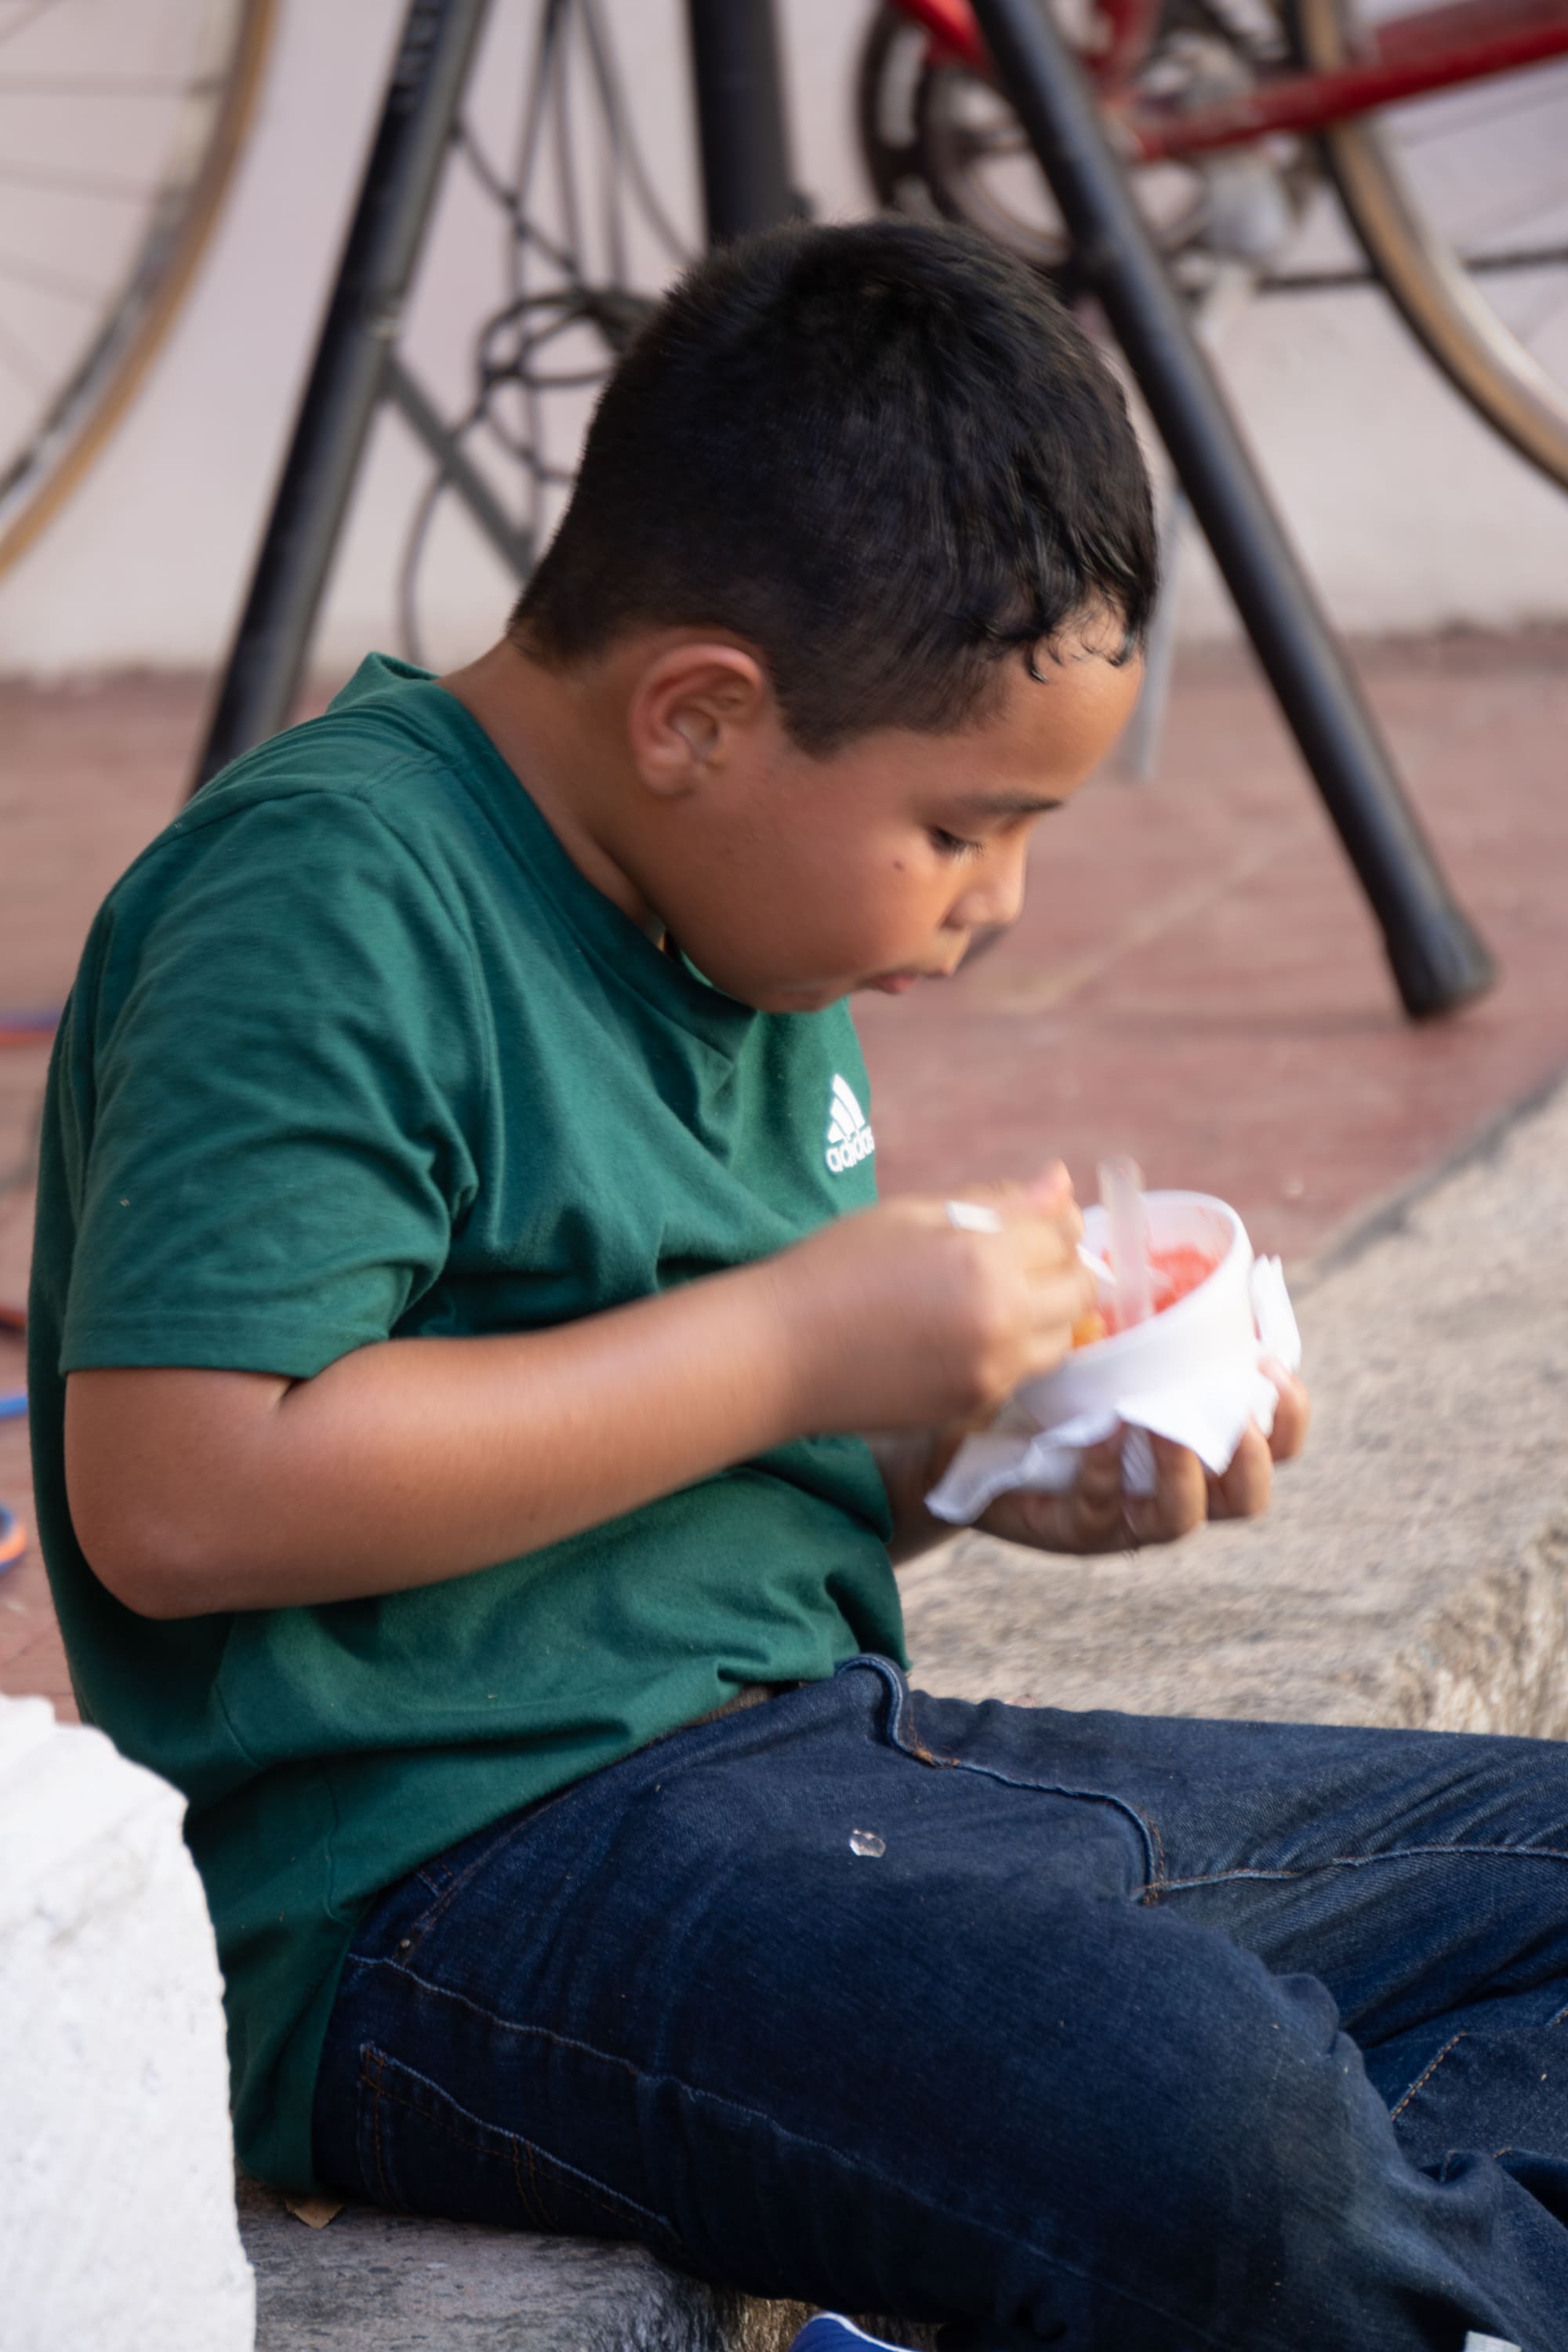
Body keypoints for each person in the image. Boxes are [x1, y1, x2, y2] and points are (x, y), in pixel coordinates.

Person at [27, 221, 1564, 2352]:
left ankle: (1422, 2289)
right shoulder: (330, 898)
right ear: (700, 717)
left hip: (840, 1781)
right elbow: (183, 1493)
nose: (998, 906)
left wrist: (971, 1462)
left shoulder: (738, 901)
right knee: (1213, 2113)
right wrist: (800, 1339)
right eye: (963, 828)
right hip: (447, 1902)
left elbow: (677, 1457)